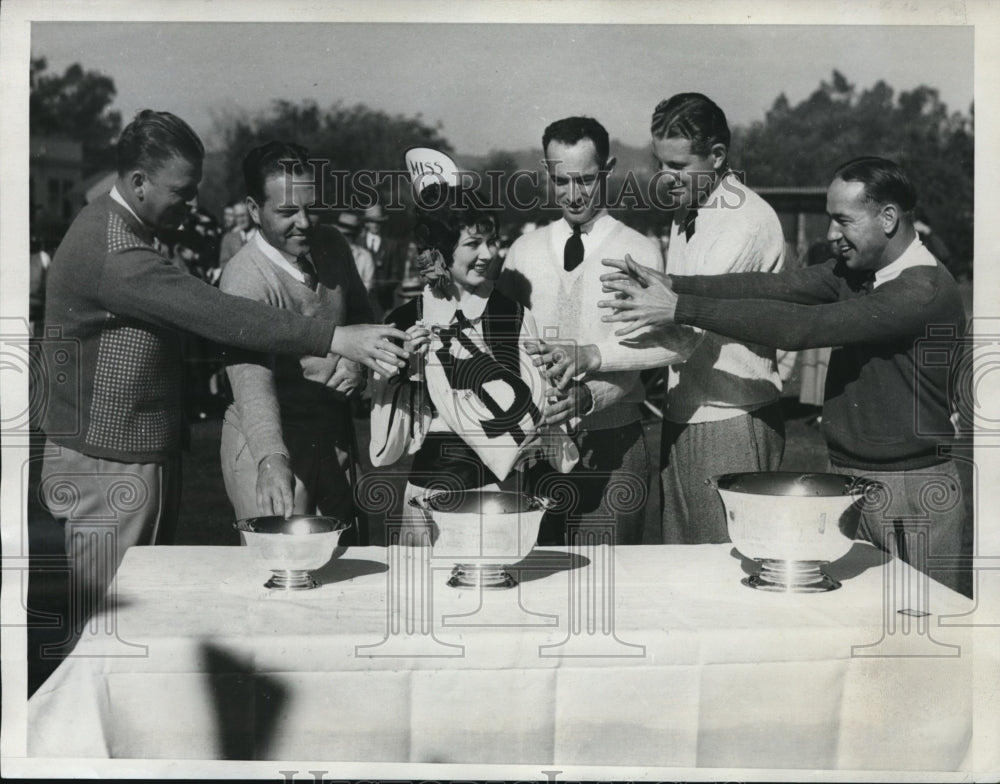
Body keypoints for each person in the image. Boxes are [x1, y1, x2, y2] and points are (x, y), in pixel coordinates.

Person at [39, 110, 409, 609]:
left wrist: (354, 358)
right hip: (110, 457)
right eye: (182, 191)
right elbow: (219, 314)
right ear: (139, 181)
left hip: (132, 449)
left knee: (135, 612)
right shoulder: (116, 249)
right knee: (106, 620)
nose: (193, 204)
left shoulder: (121, 226)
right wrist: (334, 338)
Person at [600, 156, 967, 592]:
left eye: (842, 221)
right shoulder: (861, 272)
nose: (831, 235)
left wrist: (678, 308)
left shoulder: (919, 289)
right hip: (858, 483)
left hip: (911, 493)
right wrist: (672, 281)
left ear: (888, 218)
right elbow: (771, 286)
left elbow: (801, 328)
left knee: (921, 637)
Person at [497, 116, 698, 545]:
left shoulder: (639, 251)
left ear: (607, 171)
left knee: (607, 587)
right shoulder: (523, 252)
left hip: (615, 448)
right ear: (547, 173)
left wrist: (590, 394)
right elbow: (501, 345)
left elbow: (662, 348)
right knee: (537, 583)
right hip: (533, 452)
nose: (574, 194)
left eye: (586, 180)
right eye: (562, 180)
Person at [371, 148, 576, 529]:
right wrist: (403, 373)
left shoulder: (513, 315)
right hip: (432, 490)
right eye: (473, 244)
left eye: (492, 241)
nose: (488, 253)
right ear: (440, 251)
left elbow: (543, 406)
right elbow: (388, 445)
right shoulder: (404, 321)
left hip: (503, 490)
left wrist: (557, 404)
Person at [645, 93, 785, 544]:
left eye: (679, 167)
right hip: (684, 415)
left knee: (730, 573)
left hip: (732, 420)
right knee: (682, 578)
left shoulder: (746, 220)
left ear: (718, 156)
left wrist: (590, 357)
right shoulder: (690, 207)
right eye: (660, 164)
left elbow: (683, 335)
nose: (667, 178)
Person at [219, 141, 371, 527]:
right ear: (254, 210)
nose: (304, 222)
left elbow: (365, 319)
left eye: (311, 207)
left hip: (334, 436)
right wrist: (271, 458)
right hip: (271, 445)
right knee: (280, 571)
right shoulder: (243, 277)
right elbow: (251, 379)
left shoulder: (333, 245)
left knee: (347, 567)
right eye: (287, 211)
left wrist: (357, 363)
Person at [360, 202, 405, 314]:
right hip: (360, 300)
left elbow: (396, 274)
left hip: (384, 302)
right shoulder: (359, 243)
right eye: (372, 221)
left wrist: (382, 286)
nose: (375, 224)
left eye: (378, 221)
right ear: (366, 223)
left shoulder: (391, 245)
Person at [335, 212, 377, 300]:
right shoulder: (328, 253)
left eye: (349, 235)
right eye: (343, 234)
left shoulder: (365, 256)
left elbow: (367, 285)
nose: (346, 238)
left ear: (355, 236)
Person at [219, 201, 256, 269]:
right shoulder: (228, 238)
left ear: (251, 214)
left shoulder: (262, 235)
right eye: (237, 216)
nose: (240, 220)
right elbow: (224, 264)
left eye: (243, 215)